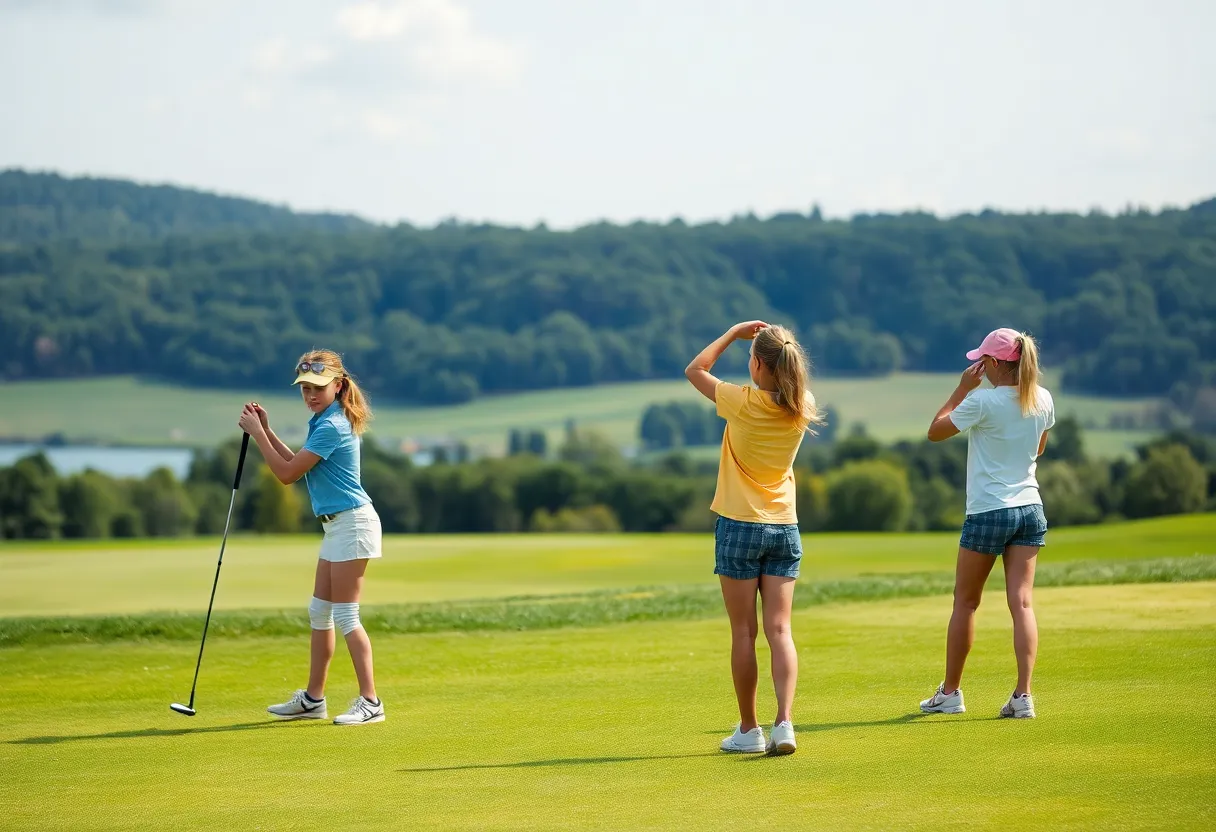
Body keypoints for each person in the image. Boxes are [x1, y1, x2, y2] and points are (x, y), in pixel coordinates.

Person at [685, 320, 822, 755]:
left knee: (744, 632)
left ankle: (749, 730)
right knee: (780, 630)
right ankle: (784, 724)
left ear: (759, 364)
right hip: (784, 527)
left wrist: (730, 334)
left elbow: (695, 369)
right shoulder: (803, 405)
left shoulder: (740, 401)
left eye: (750, 358)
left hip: (739, 525)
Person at [236, 349, 386, 726]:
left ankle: (371, 702)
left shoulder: (333, 424)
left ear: (338, 385)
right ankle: (313, 700)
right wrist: (267, 429)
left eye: (318, 388)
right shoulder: (323, 421)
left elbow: (287, 475)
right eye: (305, 388)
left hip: (353, 523)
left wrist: (257, 435)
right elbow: (297, 464)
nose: (311, 395)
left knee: (346, 614)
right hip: (337, 526)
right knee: (319, 611)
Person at [919, 328, 1054, 720]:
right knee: (1022, 603)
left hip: (987, 511)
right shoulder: (1043, 398)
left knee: (966, 602)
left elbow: (935, 432)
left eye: (983, 360)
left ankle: (950, 693)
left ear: (994, 363)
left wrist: (961, 389)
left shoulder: (981, 401)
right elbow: (1039, 448)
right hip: (1030, 508)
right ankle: (1023, 696)